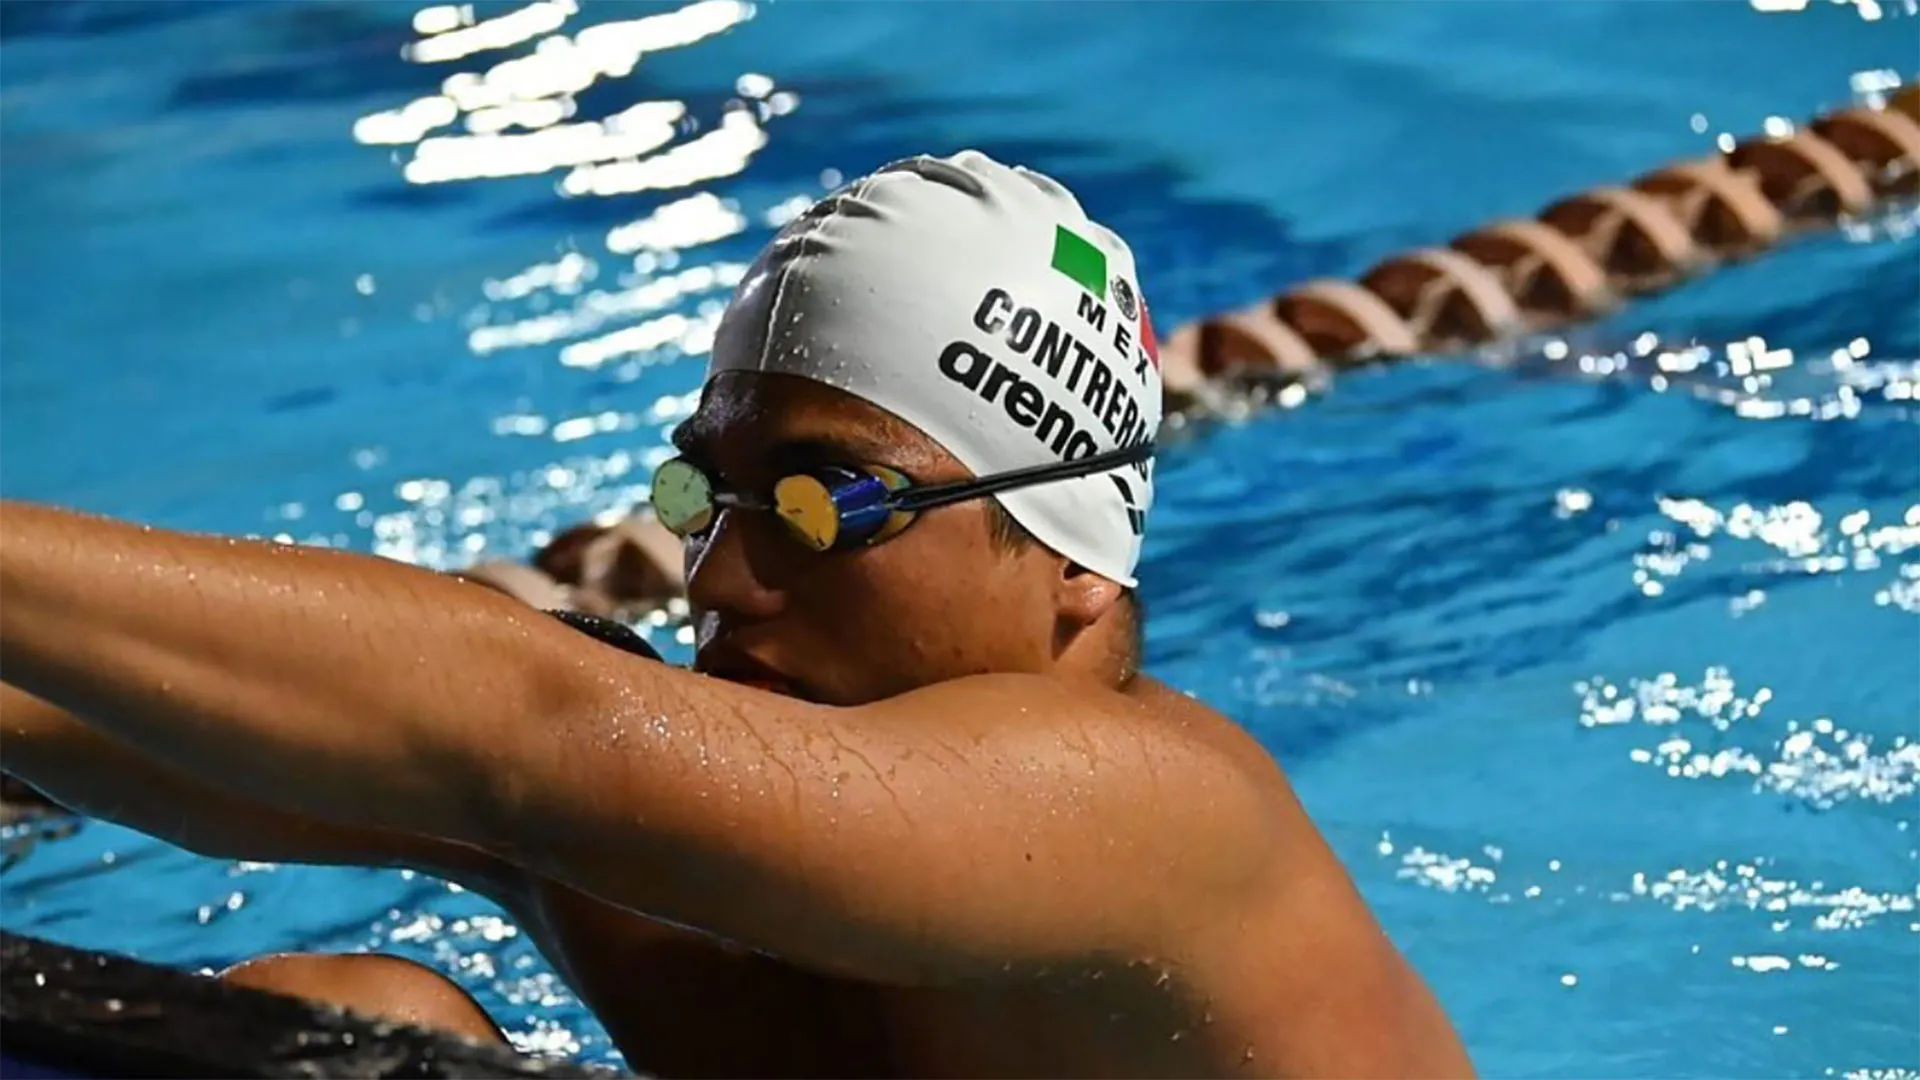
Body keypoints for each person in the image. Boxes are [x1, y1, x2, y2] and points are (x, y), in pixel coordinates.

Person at [0, 151, 1473, 1078]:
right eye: (714, 495)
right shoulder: (725, 858)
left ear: (1074, 557)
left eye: (834, 506)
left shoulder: (1159, 816)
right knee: (350, 1032)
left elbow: (526, 728)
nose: (721, 581)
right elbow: (227, 728)